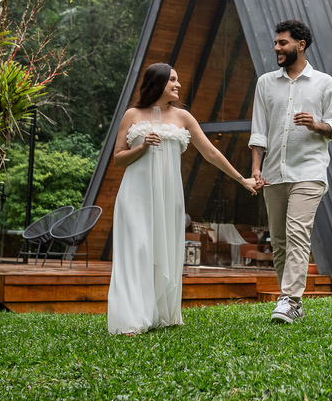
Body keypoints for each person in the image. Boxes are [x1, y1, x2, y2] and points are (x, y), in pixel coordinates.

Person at [108, 63, 258, 335]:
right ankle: (132, 319)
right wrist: (142, 147)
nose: (178, 85)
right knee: (137, 250)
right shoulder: (132, 114)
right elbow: (118, 159)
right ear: (158, 82)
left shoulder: (183, 118)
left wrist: (242, 179)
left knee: (163, 249)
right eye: (173, 80)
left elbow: (211, 153)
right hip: (135, 196)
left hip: (169, 198)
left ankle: (161, 313)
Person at [250, 20, 332, 324]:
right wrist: (255, 168)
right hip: (274, 172)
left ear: (300, 45)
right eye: (276, 43)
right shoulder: (265, 82)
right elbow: (259, 131)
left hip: (309, 171)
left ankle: (289, 299)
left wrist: (316, 124)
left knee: (297, 232)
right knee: (278, 240)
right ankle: (292, 303)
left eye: (282, 43)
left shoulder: (325, 83)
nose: (276, 48)